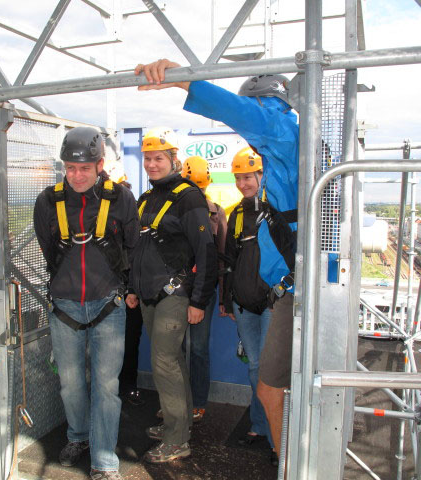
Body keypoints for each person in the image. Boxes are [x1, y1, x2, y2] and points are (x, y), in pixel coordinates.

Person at [135, 60, 298, 466]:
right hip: (285, 289)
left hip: (293, 292)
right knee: (272, 388)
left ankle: (289, 464)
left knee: (270, 388)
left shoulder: (281, 132)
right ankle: (288, 459)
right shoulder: (291, 150)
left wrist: (182, 78)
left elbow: (238, 112)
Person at [33, 127, 139, 480]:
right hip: (65, 306)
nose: (77, 175)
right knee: (71, 383)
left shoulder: (121, 198)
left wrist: (127, 289)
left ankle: (105, 460)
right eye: (70, 168)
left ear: (99, 165)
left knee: (107, 386)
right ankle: (78, 436)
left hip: (108, 304)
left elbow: (133, 248)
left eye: (84, 168)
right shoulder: (48, 202)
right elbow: (50, 251)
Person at [125, 127, 217, 463]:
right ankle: (177, 423)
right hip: (149, 293)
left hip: (176, 295)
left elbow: (206, 251)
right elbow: (136, 247)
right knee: (172, 361)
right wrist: (133, 289)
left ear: (173, 160)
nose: (152, 164)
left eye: (158, 158)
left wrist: (198, 301)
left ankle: (178, 439)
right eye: (147, 158)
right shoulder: (147, 199)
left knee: (163, 362)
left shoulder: (188, 197)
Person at [222, 147, 275, 460]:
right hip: (244, 304)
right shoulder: (236, 214)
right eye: (239, 178)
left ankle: (274, 434)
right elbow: (229, 260)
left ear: (261, 176)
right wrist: (227, 300)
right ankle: (260, 425)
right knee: (255, 368)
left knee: (267, 370)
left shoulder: (274, 210)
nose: (244, 184)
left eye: (249, 177)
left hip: (270, 303)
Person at [181, 155, 227, 422]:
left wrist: (224, 296)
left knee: (198, 348)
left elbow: (221, 257)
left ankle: (198, 401)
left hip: (204, 291)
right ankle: (177, 402)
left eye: (200, 186)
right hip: (175, 290)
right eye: (192, 186)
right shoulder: (174, 209)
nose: (197, 192)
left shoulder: (216, 212)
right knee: (174, 349)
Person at [103, 159, 145, 407]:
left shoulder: (132, 209)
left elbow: (136, 250)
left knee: (129, 339)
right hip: (105, 287)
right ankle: (113, 388)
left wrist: (132, 287)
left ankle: (127, 386)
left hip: (128, 286)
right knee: (109, 343)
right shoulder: (96, 212)